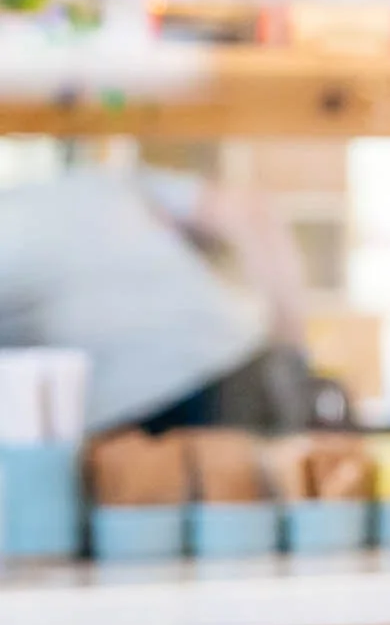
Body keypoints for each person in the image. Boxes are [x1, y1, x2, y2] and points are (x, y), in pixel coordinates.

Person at [0, 162, 314, 433]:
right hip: (241, 366)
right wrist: (292, 348)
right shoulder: (102, 182)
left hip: (158, 409)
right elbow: (250, 212)